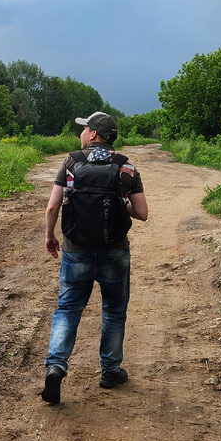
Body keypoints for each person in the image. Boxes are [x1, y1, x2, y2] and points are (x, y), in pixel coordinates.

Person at [41, 111, 147, 405]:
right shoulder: (126, 166)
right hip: (114, 250)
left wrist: (50, 237)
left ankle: (56, 366)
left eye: (85, 128)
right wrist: (117, 204)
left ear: (94, 134)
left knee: (67, 310)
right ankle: (110, 371)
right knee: (113, 311)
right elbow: (141, 213)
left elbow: (52, 208)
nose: (82, 132)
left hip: (76, 251)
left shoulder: (72, 161)